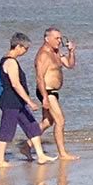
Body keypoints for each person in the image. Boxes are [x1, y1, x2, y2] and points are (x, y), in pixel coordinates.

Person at [0, 33, 53, 167]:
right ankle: (0, 160)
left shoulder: (7, 60)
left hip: (18, 102)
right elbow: (15, 84)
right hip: (10, 102)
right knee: (7, 129)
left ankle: (41, 155)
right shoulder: (10, 61)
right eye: (25, 48)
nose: (25, 51)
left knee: (32, 125)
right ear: (18, 46)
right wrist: (30, 101)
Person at [34, 27, 79, 161]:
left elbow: (70, 65)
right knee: (60, 121)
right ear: (47, 39)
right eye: (56, 38)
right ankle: (62, 153)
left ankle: (27, 144)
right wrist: (45, 98)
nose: (59, 41)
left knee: (47, 122)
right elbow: (39, 78)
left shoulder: (57, 52)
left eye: (60, 38)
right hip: (47, 92)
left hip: (54, 92)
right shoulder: (43, 55)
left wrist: (71, 52)